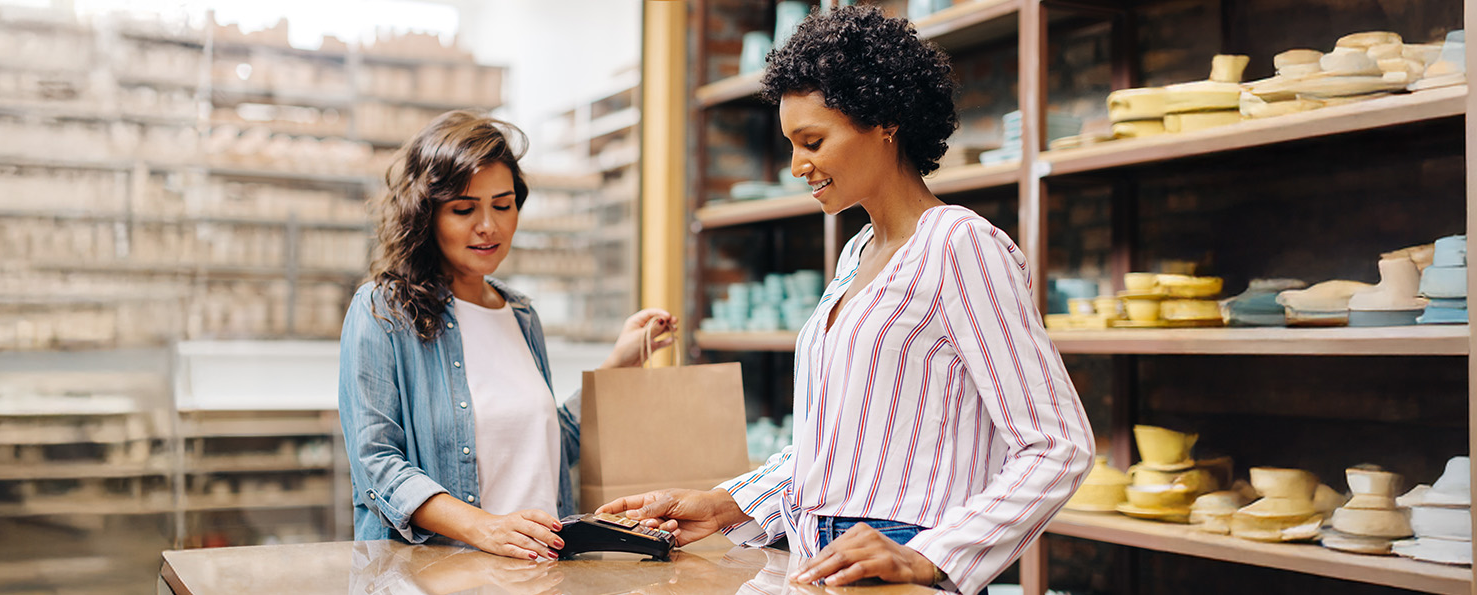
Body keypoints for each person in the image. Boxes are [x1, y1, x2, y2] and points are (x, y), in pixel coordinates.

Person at [598, 7, 1094, 594]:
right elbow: (837, 447)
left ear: (885, 123)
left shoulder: (962, 245)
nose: (797, 166)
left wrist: (931, 556)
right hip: (820, 561)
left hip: (897, 569)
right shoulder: (857, 252)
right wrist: (723, 504)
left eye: (812, 141)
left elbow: (1057, 445)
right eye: (791, 144)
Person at [339, 110, 678, 562]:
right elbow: (376, 465)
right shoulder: (383, 310)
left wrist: (620, 363)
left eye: (503, 204)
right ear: (426, 214)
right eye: (464, 209)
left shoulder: (520, 314)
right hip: (445, 577)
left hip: (541, 575)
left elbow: (548, 446)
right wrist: (487, 529)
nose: (489, 226)